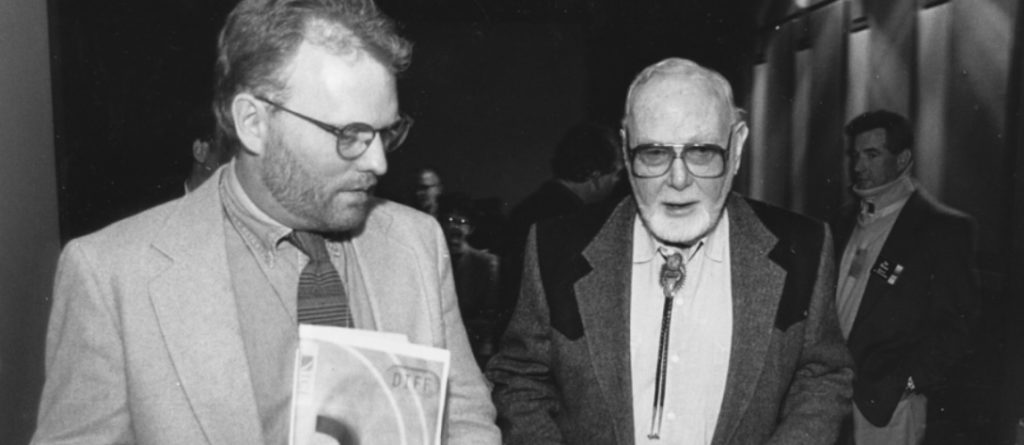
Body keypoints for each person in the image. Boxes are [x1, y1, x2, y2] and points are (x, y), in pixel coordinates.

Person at [31, 0, 500, 444]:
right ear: (253, 122)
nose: (378, 162)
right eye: (350, 134)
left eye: (386, 131)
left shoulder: (417, 242)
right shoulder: (111, 274)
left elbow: (465, 420)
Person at [486, 58, 854, 444]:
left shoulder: (802, 249)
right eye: (654, 154)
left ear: (738, 146)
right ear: (626, 151)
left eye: (702, 152)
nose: (678, 180)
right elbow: (520, 379)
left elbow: (823, 374)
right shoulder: (555, 248)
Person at [832, 110, 978, 444]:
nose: (858, 167)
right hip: (834, 396)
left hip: (888, 406)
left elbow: (958, 325)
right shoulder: (843, 220)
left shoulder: (941, 229)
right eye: (855, 155)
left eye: (872, 155)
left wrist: (907, 382)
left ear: (903, 159)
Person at [497, 121, 623, 334]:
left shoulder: (524, 210)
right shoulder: (576, 223)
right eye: (616, 174)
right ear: (595, 176)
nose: (616, 182)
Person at [438, 194, 502, 366]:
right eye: (451, 220)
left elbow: (489, 315)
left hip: (472, 346)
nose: (456, 227)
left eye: (463, 222)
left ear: (471, 229)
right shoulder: (432, 259)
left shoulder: (487, 263)